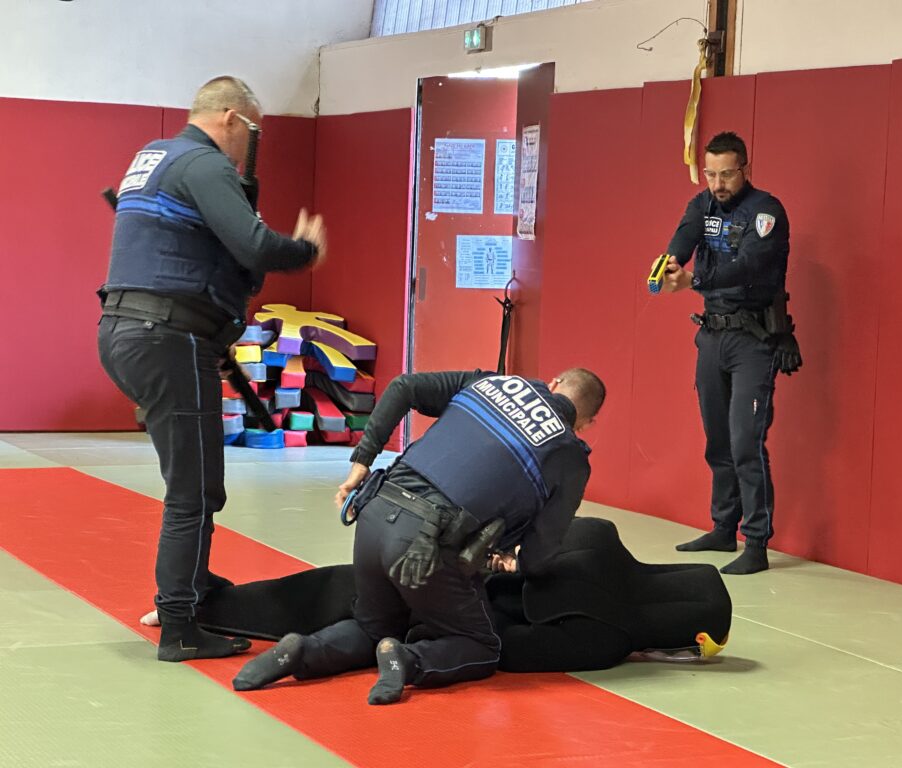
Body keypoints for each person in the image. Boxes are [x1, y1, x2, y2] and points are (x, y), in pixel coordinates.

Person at [96, 76, 328, 662]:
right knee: (195, 492)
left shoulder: (153, 158)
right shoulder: (203, 163)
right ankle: (179, 623)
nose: (251, 145)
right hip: (166, 338)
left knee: (195, 482)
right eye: (252, 132)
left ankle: (190, 589)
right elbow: (254, 247)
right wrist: (305, 249)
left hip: (134, 332)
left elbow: (186, 254)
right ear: (229, 118)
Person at [231, 368, 605, 703]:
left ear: (554, 381)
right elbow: (539, 557)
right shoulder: (570, 456)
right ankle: (410, 660)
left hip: (375, 510)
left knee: (373, 626)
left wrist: (362, 461)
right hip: (425, 547)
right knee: (482, 646)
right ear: (585, 423)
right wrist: (509, 561)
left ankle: (301, 650)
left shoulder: (494, 382)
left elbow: (404, 386)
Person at [193, 517, 732, 671]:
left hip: (444, 553)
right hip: (459, 608)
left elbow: (516, 532)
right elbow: (510, 650)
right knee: (367, 627)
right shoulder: (609, 636)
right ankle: (308, 654)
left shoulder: (601, 534)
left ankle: (202, 605)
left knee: (336, 584)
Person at [654, 131, 801, 575]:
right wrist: (669, 265)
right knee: (717, 440)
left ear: (745, 169)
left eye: (726, 174)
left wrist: (694, 283)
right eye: (711, 173)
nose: (718, 183)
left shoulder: (766, 211)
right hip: (712, 337)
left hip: (753, 340)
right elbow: (682, 239)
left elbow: (750, 266)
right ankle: (723, 528)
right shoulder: (703, 204)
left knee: (745, 442)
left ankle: (755, 542)